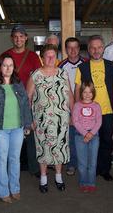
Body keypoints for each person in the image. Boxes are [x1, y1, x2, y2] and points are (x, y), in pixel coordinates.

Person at [0, 54, 32, 203]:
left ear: (14, 67)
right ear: (0, 67)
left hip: (17, 128)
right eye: (5, 65)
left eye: (10, 65)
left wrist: (27, 124)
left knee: (15, 159)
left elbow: (25, 105)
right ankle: (3, 192)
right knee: (2, 160)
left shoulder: (18, 83)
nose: (8, 68)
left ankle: (15, 189)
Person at [26, 44, 73, 193]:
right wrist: (29, 120)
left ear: (57, 58)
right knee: (43, 149)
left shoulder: (63, 73)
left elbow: (70, 94)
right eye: (48, 55)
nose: (51, 58)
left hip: (61, 120)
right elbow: (27, 98)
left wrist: (73, 114)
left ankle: (59, 177)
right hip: (41, 121)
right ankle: (43, 179)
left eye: (53, 55)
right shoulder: (36, 75)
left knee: (59, 148)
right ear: (42, 58)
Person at [0, 25, 41, 178]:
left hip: (28, 101)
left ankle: (33, 167)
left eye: (21, 36)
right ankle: (11, 167)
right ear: (12, 38)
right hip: (9, 102)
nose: (18, 39)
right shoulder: (4, 55)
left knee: (30, 135)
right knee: (10, 135)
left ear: (26, 38)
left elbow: (38, 78)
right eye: (15, 36)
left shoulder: (33, 57)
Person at [75, 35, 113, 181]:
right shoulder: (82, 67)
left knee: (106, 141)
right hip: (89, 114)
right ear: (89, 50)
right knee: (91, 142)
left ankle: (104, 169)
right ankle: (92, 168)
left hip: (108, 111)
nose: (96, 50)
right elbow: (77, 89)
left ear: (103, 48)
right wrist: (77, 112)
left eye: (99, 47)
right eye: (93, 47)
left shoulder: (112, 66)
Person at [59, 37, 86, 176]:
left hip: (86, 107)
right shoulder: (61, 66)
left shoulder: (86, 63)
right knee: (70, 138)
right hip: (68, 108)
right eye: (70, 47)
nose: (73, 50)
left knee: (84, 136)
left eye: (76, 47)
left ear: (79, 48)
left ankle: (84, 163)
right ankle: (71, 164)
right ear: (65, 49)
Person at [72, 81, 102, 192]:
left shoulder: (96, 106)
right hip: (80, 136)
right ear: (81, 93)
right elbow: (75, 121)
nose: (87, 94)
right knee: (82, 163)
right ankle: (83, 182)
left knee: (92, 162)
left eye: (90, 92)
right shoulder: (77, 105)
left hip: (94, 136)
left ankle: (91, 183)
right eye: (85, 92)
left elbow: (98, 122)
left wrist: (91, 134)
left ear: (93, 93)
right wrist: (85, 134)